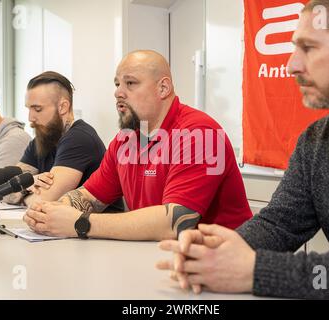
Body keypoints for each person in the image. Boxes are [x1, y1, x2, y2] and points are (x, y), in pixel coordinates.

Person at [157, 0, 329, 299]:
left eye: (308, 48)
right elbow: (280, 222)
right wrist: (219, 252)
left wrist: (259, 271)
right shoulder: (315, 141)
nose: (291, 64)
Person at [23, 50, 253, 241]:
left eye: (130, 83)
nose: (118, 92)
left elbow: (174, 223)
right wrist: (49, 213)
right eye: (117, 84)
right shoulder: (127, 140)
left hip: (219, 270)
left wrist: (80, 223)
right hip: (156, 259)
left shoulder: (201, 133)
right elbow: (90, 196)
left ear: (163, 88)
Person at [6, 71, 115, 209]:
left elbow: (43, 201)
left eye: (37, 109)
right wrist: (29, 185)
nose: (30, 118)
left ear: (63, 107)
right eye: (29, 109)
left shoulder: (79, 138)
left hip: (96, 229)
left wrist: (22, 190)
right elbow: (4, 190)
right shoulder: (41, 139)